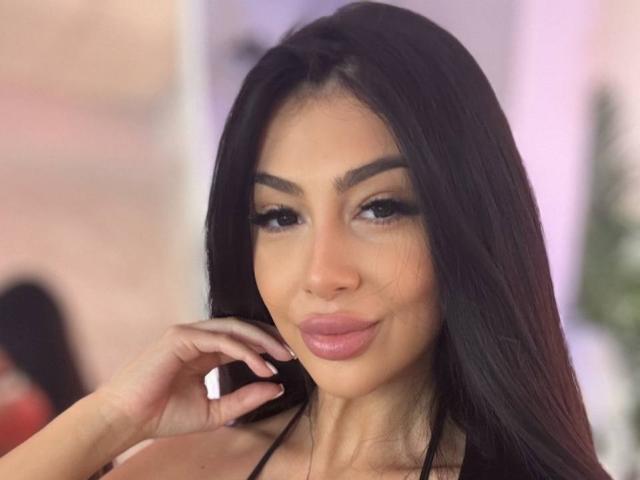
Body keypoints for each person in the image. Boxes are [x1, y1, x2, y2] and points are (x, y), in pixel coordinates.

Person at [0, 2, 613, 479]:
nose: (322, 274)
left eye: (379, 208)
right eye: (279, 216)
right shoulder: (191, 466)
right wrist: (111, 418)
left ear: (466, 221)